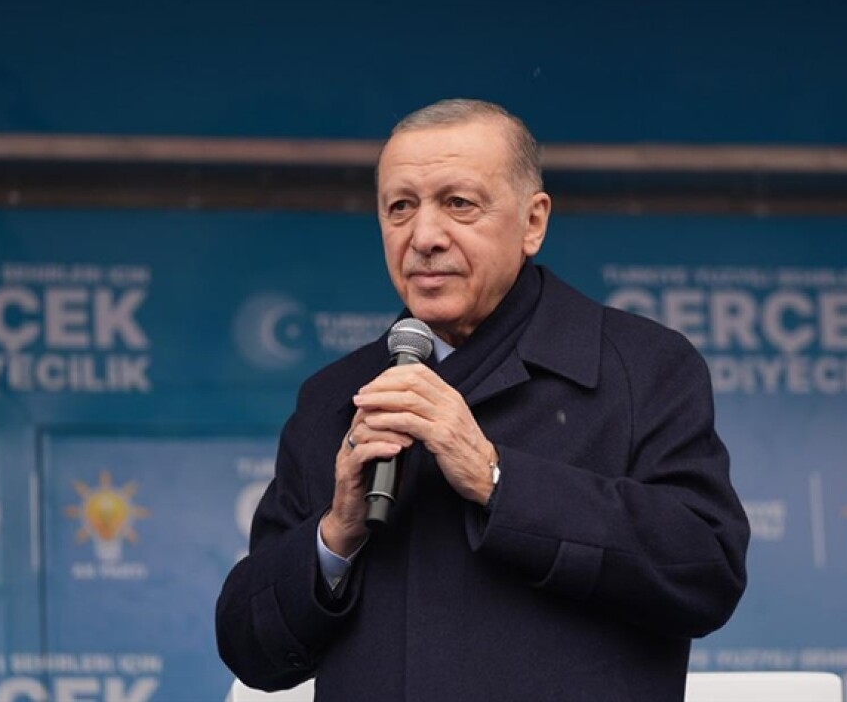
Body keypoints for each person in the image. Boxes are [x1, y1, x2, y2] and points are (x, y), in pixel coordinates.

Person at [216, 99, 749, 701]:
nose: (424, 237)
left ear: (533, 223)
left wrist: (497, 480)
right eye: (400, 207)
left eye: (459, 203)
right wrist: (337, 534)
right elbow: (249, 648)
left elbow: (705, 572)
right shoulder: (337, 397)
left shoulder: (639, 366)